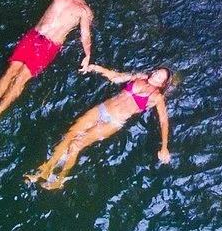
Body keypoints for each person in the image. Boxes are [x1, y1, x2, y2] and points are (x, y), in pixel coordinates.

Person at [25, 63, 175, 190]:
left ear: (162, 84)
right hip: (101, 109)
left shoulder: (157, 98)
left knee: (76, 145)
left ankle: (59, 180)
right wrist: (95, 68)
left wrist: (164, 147)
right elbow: (116, 77)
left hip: (113, 122)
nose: (155, 75)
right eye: (156, 72)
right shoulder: (140, 77)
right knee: (70, 134)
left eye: (159, 77)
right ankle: (44, 169)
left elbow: (163, 121)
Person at [0, 0, 94, 123]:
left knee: (20, 78)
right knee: (11, 71)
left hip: (49, 46)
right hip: (33, 36)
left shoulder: (84, 11)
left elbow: (85, 34)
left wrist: (87, 55)